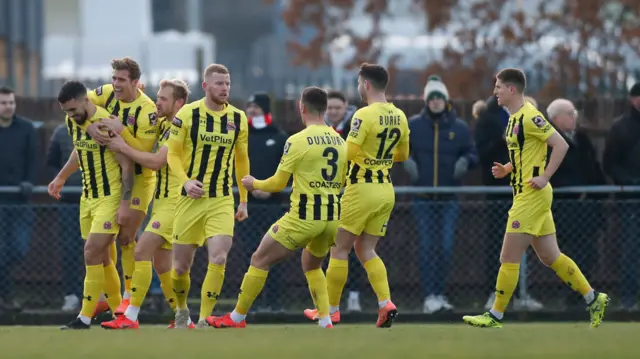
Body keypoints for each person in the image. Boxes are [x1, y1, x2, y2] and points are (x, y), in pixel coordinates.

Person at [462, 68, 609, 329]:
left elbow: (560, 144)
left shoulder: (531, 116)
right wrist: (507, 169)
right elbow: (528, 153)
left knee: (508, 257)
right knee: (551, 257)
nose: (494, 92)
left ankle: (495, 315)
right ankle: (593, 298)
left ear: (512, 89)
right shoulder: (512, 119)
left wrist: (545, 177)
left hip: (532, 196)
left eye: (498, 87)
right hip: (526, 193)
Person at [206, 87, 347, 329]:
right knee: (312, 265)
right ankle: (325, 320)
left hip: (302, 218)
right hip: (331, 218)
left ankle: (237, 317)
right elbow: (342, 180)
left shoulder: (298, 140)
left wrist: (253, 183)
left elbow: (278, 183)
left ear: (301, 107)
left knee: (259, 259)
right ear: (325, 109)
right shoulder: (340, 141)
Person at [304, 63, 410, 328]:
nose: (358, 88)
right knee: (366, 249)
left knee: (338, 249)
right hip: (385, 189)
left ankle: (331, 310)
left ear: (366, 85)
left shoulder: (363, 115)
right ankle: (385, 302)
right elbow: (404, 155)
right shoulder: (400, 115)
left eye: (359, 83)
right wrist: (379, 158)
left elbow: (348, 153)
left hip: (361, 188)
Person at [100, 79, 193, 329]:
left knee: (141, 250)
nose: (157, 101)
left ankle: (130, 316)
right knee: (163, 265)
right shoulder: (163, 124)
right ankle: (184, 318)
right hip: (162, 202)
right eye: (157, 96)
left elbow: (155, 162)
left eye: (163, 98)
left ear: (179, 102)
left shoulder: (180, 126)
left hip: (175, 202)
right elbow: (141, 145)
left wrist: (121, 144)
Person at [166, 63, 250, 328]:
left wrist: (244, 200)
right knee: (179, 268)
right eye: (218, 83)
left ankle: (203, 319)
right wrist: (186, 181)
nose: (224, 88)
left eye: (227, 83)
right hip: (189, 200)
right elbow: (172, 154)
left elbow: (242, 161)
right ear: (205, 86)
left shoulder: (238, 118)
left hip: (221, 199)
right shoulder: (187, 115)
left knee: (219, 257)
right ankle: (181, 310)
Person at [48, 81, 129, 329]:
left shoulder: (106, 123)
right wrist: (61, 177)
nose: (70, 116)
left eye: (73, 110)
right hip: (88, 197)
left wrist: (125, 202)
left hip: (110, 196)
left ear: (86, 100)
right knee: (102, 258)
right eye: (66, 112)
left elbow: (126, 163)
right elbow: (79, 151)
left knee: (91, 252)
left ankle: (84, 316)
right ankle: (119, 315)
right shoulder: (75, 122)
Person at [82, 57, 159, 314]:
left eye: (121, 79)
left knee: (126, 236)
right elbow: (78, 104)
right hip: (114, 179)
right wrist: (90, 126)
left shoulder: (147, 111)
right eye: (113, 78)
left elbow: (145, 154)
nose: (115, 84)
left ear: (136, 82)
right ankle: (112, 297)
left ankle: (128, 297)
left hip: (140, 180)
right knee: (107, 240)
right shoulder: (105, 93)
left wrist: (122, 131)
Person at [407, 75, 478, 314]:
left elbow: (473, 153)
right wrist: (405, 160)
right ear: (426, 101)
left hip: (449, 199)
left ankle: (440, 293)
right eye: (432, 98)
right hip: (423, 198)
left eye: (439, 98)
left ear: (445, 100)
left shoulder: (459, 127)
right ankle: (429, 296)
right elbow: (397, 149)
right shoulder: (414, 125)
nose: (435, 102)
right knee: (428, 247)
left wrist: (465, 161)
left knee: (446, 247)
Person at [547, 98, 606, 309]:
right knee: (569, 255)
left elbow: (593, 167)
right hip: (565, 209)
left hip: (588, 208)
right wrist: (572, 191)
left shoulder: (582, 139)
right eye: (569, 114)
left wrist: (599, 190)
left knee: (589, 253)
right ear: (555, 118)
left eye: (574, 114)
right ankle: (571, 299)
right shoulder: (547, 141)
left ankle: (584, 296)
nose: (574, 118)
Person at [239, 92, 288, 312]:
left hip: (273, 206)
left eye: (256, 107)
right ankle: (254, 302)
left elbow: (287, 170)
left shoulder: (279, 136)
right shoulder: (242, 136)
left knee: (273, 255)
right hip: (248, 206)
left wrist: (270, 190)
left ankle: (275, 301)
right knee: (251, 254)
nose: (252, 111)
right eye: (249, 107)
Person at [325, 89, 364, 312]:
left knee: (350, 247)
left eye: (337, 108)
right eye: (329, 108)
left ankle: (353, 295)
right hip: (326, 196)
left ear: (346, 107)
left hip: (351, 193)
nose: (333, 112)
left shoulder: (354, 127)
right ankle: (327, 298)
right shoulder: (318, 129)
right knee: (326, 247)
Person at [602, 82, 640, 310]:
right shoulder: (620, 128)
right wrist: (629, 182)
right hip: (631, 200)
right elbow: (610, 163)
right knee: (631, 250)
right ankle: (628, 298)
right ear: (633, 100)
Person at [0, 86, 38, 312]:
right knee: (1, 251)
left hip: (20, 200)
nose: (8, 107)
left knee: (19, 249)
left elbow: (33, 160)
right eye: (4, 103)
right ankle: (8, 298)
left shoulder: (26, 128)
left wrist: (29, 182)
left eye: (11, 103)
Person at [46, 121, 84, 313]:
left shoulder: (100, 129)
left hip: (97, 200)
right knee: (70, 249)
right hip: (69, 202)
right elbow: (51, 163)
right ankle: (71, 295)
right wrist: (61, 182)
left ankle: (98, 296)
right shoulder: (61, 132)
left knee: (99, 248)